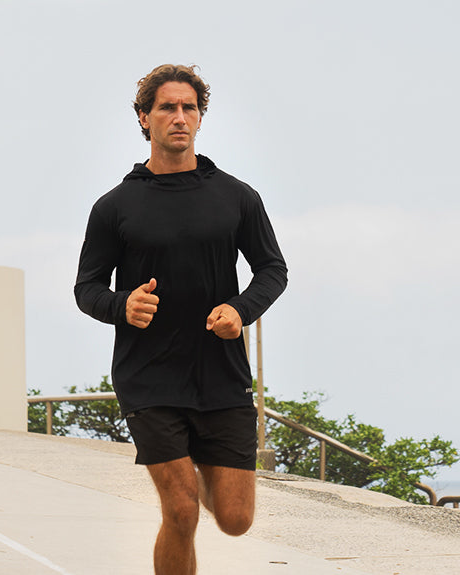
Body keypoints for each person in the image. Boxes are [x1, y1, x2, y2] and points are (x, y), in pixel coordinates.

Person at [74, 64, 288, 575]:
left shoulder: (237, 197)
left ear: (200, 117)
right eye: (167, 107)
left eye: (189, 107)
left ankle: (200, 479)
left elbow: (272, 270)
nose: (179, 117)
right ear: (143, 118)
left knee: (235, 519)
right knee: (181, 510)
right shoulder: (115, 206)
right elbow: (87, 288)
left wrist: (240, 309)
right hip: (149, 379)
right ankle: (186, 488)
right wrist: (122, 305)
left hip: (221, 376)